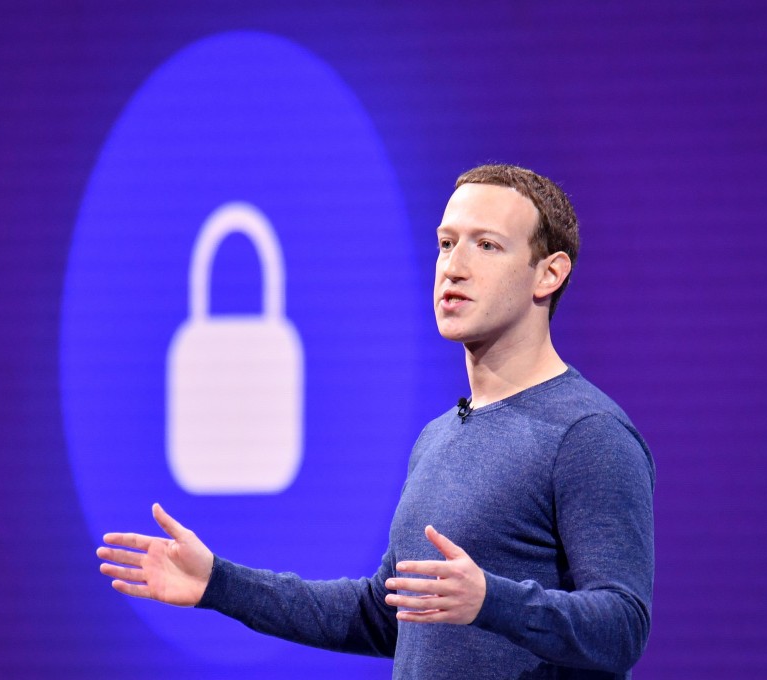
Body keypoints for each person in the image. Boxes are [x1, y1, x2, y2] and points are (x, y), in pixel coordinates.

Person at [96, 164, 655, 679]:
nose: (454, 267)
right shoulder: (439, 436)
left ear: (548, 274)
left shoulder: (587, 433)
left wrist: (492, 600)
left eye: (486, 245)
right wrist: (219, 583)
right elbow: (382, 615)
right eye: (446, 243)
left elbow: (622, 626)